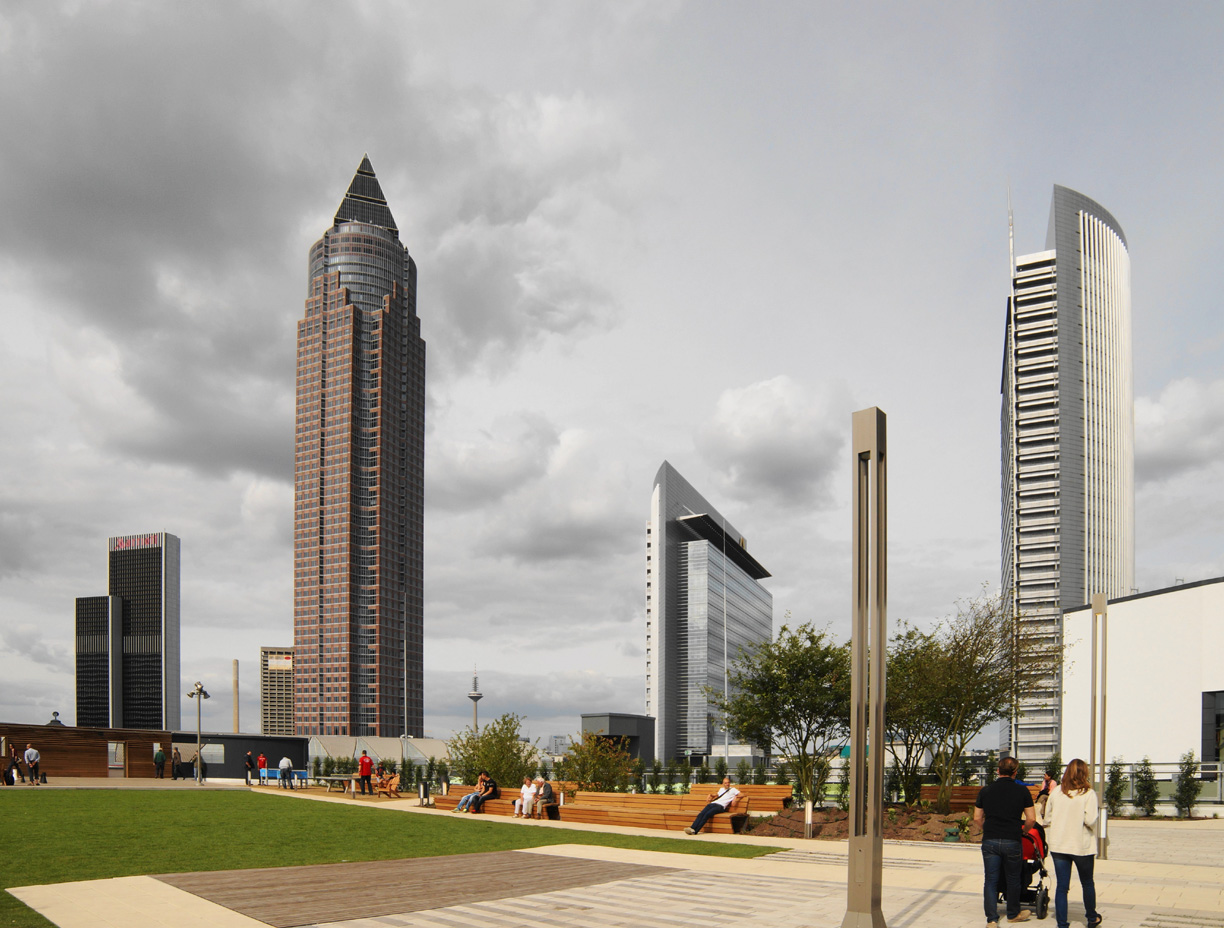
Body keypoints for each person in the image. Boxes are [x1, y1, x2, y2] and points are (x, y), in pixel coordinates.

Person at [974, 755, 1036, 926]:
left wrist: (986, 829)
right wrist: (1023, 831)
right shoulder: (1022, 791)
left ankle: (992, 920)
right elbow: (1031, 819)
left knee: (991, 879)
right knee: (1013, 878)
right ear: (1015, 772)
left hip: (990, 840)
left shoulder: (985, 791)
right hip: (1012, 840)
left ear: (997, 771)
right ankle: (1013, 913)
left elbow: (977, 817)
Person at [1042, 758, 1102, 928]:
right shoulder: (1088, 793)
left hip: (1059, 844)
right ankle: (1092, 917)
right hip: (1081, 845)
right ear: (1085, 773)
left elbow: (1048, 818)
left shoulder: (1057, 791)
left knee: (1062, 886)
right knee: (1087, 882)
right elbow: (1090, 820)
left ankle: (1062, 923)